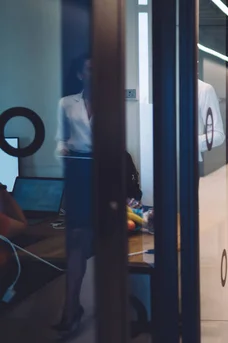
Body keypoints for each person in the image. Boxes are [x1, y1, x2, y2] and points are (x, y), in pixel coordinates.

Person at [53, 53, 94, 339]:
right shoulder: (66, 103)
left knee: (109, 236)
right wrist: (62, 150)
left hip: (108, 170)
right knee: (78, 237)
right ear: (80, 74)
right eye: (91, 69)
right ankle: (71, 307)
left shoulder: (113, 101)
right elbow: (60, 138)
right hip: (80, 171)